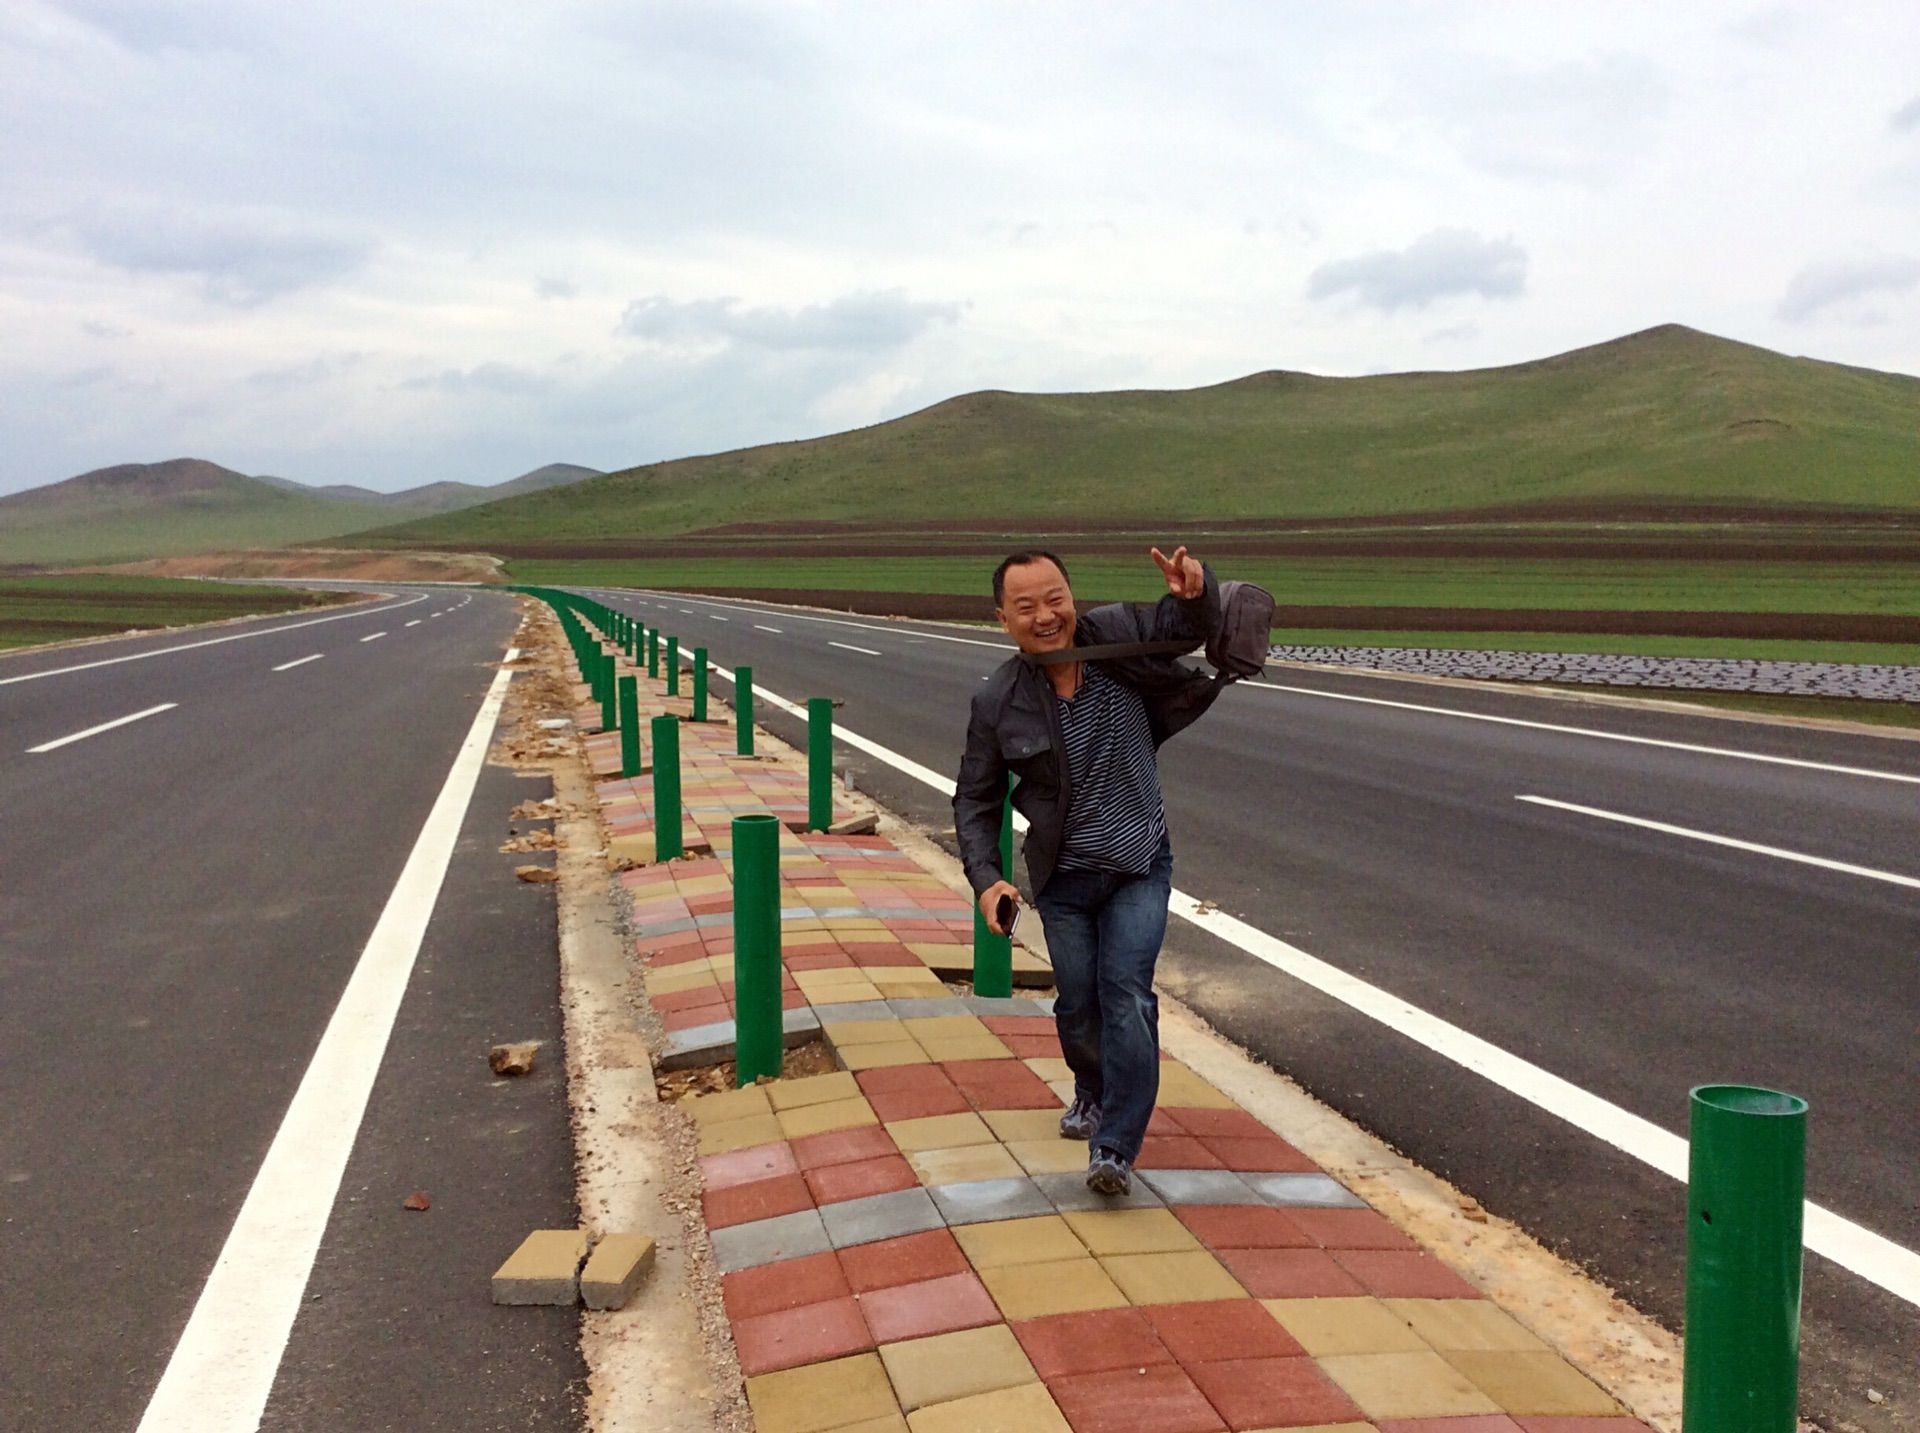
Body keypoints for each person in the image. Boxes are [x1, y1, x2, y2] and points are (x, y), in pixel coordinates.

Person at [953, 545, 1225, 1195]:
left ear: (1072, 596)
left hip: (1138, 865)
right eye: (1026, 607)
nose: (1046, 616)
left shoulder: (1117, 639)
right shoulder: (998, 699)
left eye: (1055, 599)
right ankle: (1091, 1088)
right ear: (1003, 618)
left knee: (1125, 993)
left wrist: (1195, 591)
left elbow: (1186, 630)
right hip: (1066, 880)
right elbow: (975, 797)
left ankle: (1115, 1147)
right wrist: (987, 878)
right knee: (1079, 1006)